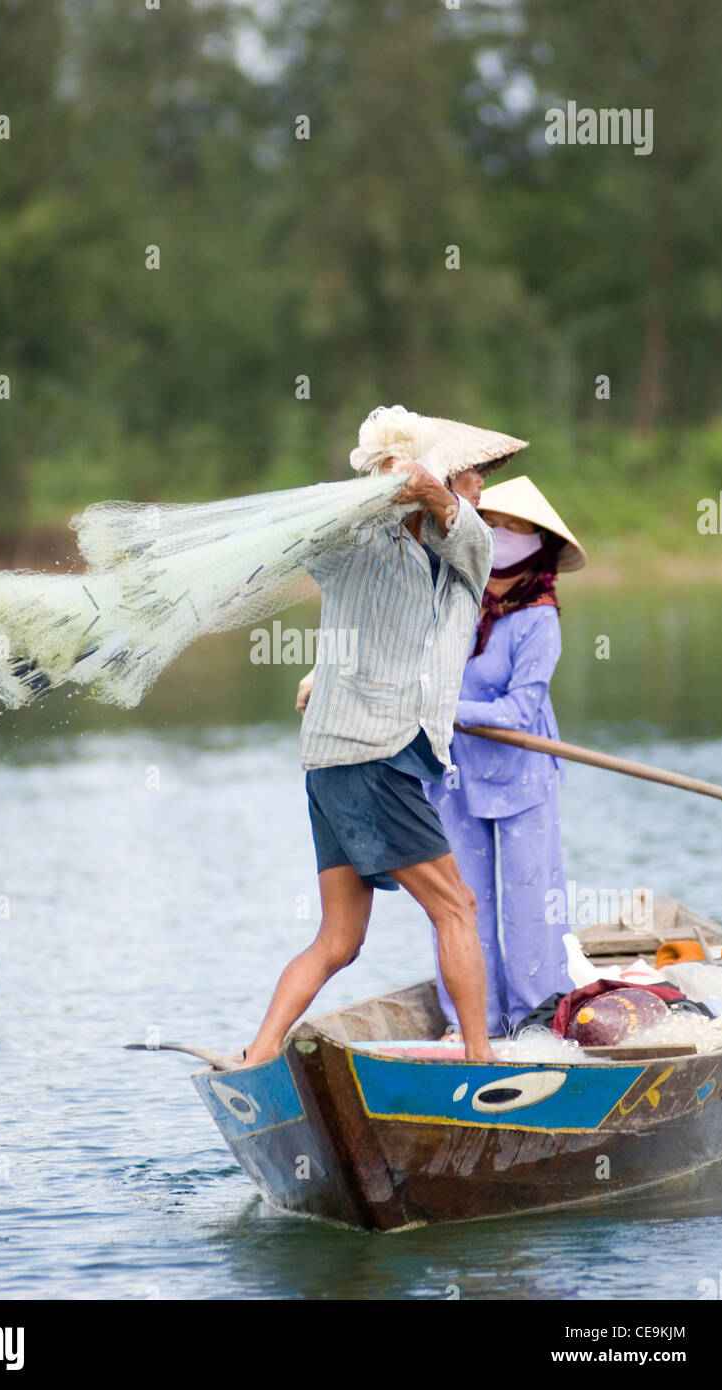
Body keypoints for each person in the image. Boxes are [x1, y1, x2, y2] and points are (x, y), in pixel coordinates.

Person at [243, 405, 529, 1067]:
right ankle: (483, 1062)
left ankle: (258, 1052)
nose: (480, 486)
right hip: (372, 757)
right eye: (470, 474)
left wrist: (431, 489)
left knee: (340, 939)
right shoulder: (353, 543)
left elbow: (462, 542)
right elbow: (309, 538)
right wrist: (402, 484)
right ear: (437, 476)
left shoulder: (465, 546)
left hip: (338, 760)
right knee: (456, 906)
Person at [425, 475, 588, 1039]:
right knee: (460, 899)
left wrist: (449, 708)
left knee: (529, 902)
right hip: (455, 772)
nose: (500, 535)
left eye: (514, 528)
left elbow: (520, 711)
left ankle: (536, 1019)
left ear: (538, 542)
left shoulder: (539, 616)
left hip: (521, 771)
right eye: (492, 525)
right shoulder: (458, 598)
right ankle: (471, 1023)